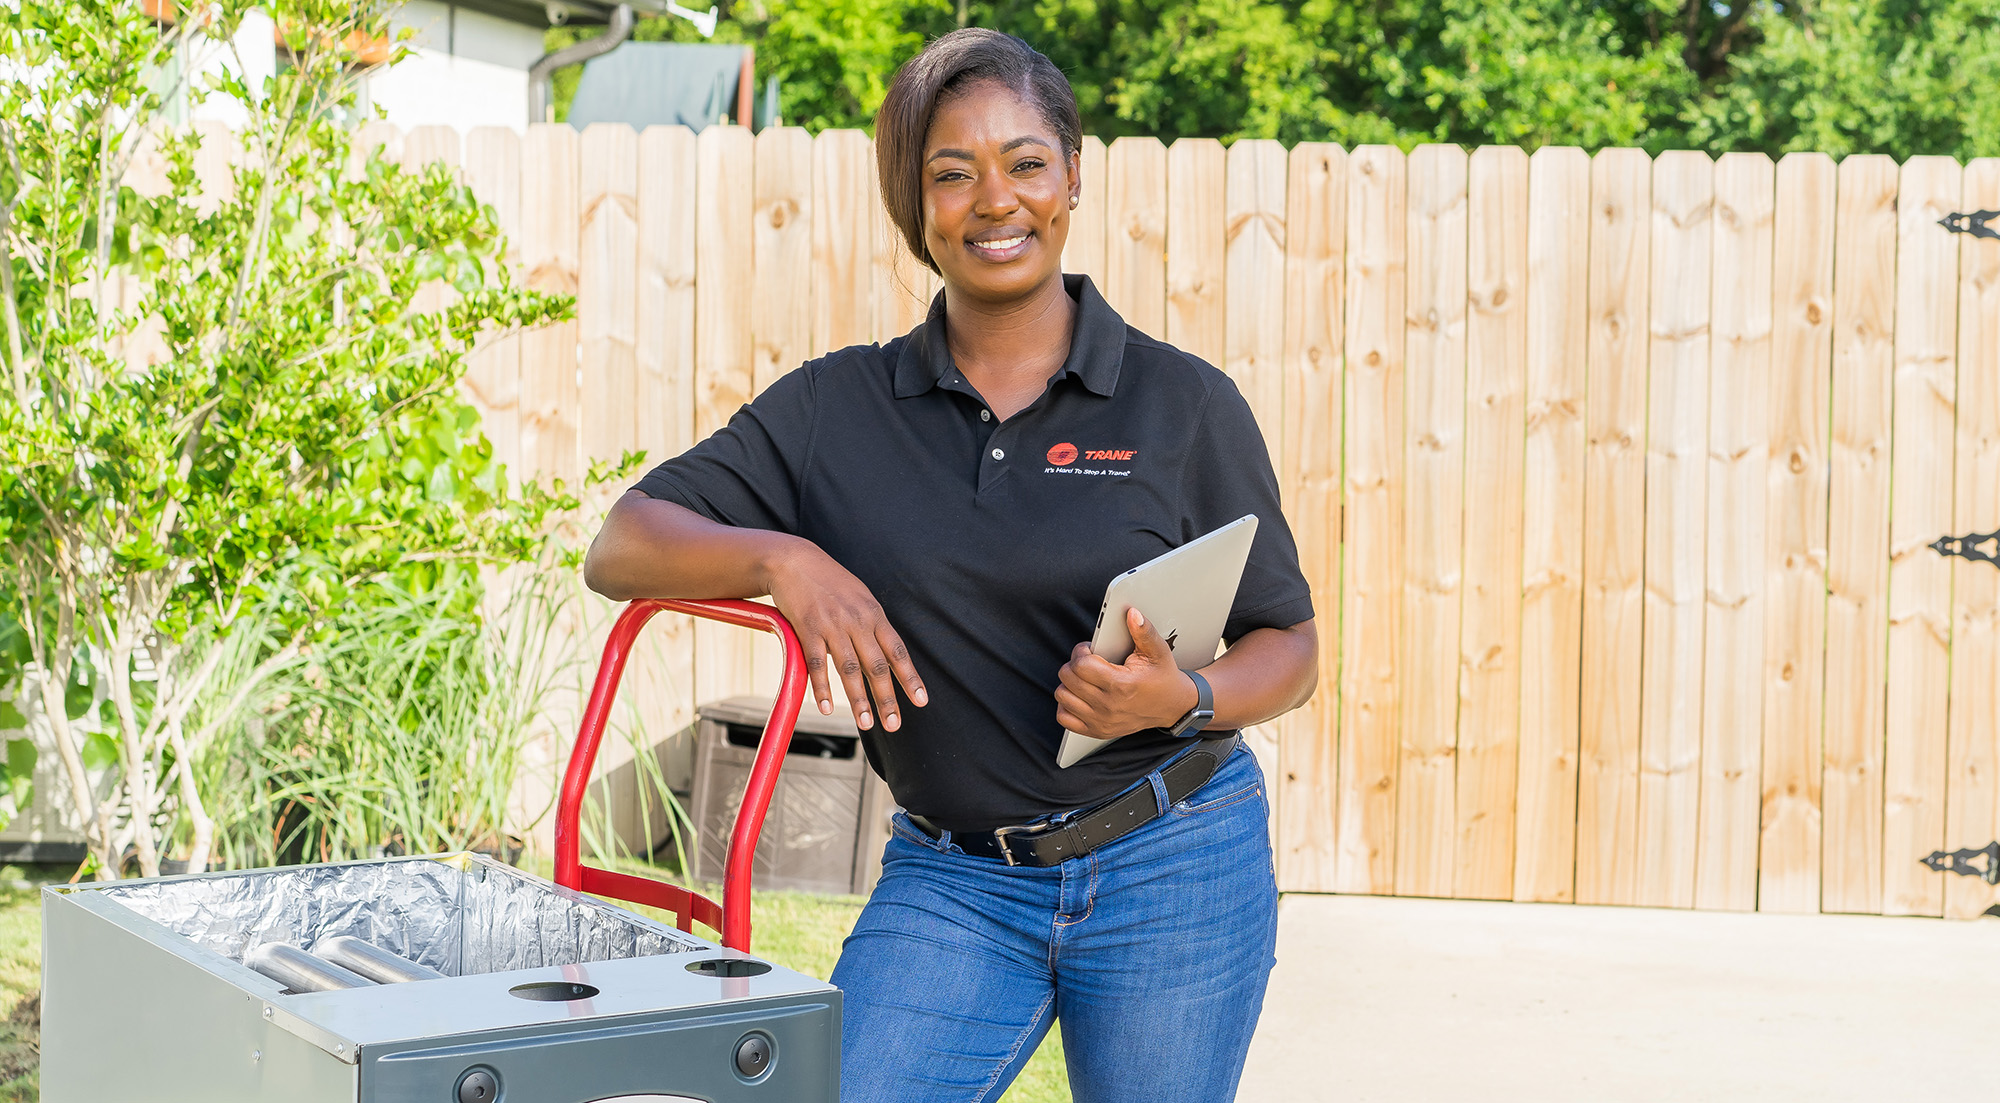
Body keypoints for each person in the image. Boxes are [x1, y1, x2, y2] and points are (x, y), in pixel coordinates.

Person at [583, 27, 1317, 1103]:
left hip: (1175, 859)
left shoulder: (1181, 404)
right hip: (954, 879)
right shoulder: (840, 408)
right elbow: (622, 544)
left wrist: (1186, 694)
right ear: (913, 203)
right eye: (951, 172)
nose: (994, 200)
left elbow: (1289, 648)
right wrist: (784, 558)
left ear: (1071, 176)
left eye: (1024, 162)